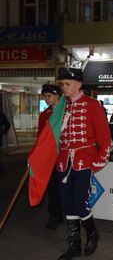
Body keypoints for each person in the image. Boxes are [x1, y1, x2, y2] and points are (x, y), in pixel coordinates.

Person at [55, 67, 112, 260]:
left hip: (83, 160)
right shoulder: (61, 107)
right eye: (62, 84)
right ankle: (74, 245)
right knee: (67, 204)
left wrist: (98, 161)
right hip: (64, 163)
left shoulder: (92, 105)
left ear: (79, 84)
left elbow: (105, 137)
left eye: (67, 84)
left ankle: (93, 233)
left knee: (80, 203)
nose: (64, 88)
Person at [38, 84, 64, 229]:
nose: (46, 99)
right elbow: (40, 137)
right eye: (45, 96)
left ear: (57, 96)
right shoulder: (44, 115)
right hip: (50, 157)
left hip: (65, 155)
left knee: (66, 186)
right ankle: (55, 215)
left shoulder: (66, 112)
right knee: (52, 187)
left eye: (49, 96)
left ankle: (70, 214)